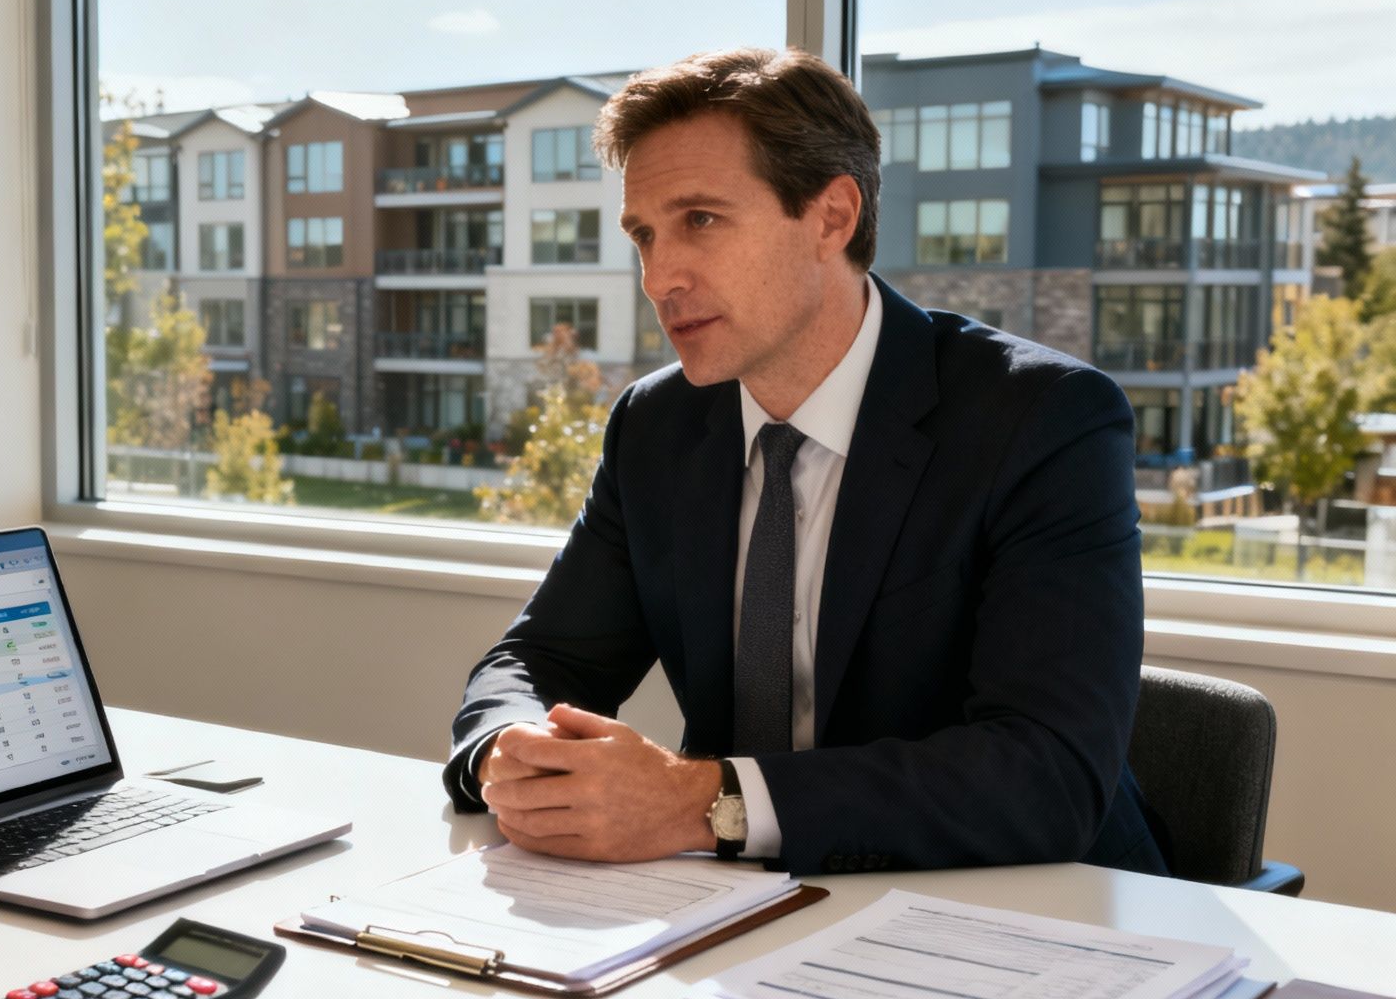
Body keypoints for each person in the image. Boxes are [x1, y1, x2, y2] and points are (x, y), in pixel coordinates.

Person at [445, 47, 1167, 878]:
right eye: (644, 234)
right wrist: (512, 747)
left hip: (1032, 910)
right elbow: (541, 659)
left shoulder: (1041, 420)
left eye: (701, 221)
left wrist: (699, 800)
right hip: (743, 908)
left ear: (832, 217)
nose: (659, 276)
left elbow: (1046, 775)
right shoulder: (659, 424)